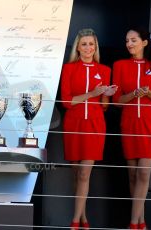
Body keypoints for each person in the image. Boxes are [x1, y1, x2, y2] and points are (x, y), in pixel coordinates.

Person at [60, 28, 117, 230]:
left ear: (96, 47)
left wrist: (106, 94)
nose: (88, 48)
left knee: (85, 174)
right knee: (77, 173)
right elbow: (67, 102)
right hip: (74, 124)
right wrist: (92, 92)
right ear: (78, 46)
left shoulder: (104, 70)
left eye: (91, 44)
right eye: (84, 44)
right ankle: (83, 217)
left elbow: (104, 106)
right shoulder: (68, 69)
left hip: (94, 125)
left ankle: (75, 221)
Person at [112, 27, 151, 230]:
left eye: (133, 40)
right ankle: (142, 222)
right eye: (127, 41)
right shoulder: (120, 65)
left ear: (144, 42)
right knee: (133, 175)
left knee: (144, 173)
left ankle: (133, 223)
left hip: (150, 123)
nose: (129, 44)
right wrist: (133, 95)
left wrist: (148, 92)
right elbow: (117, 101)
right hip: (129, 123)